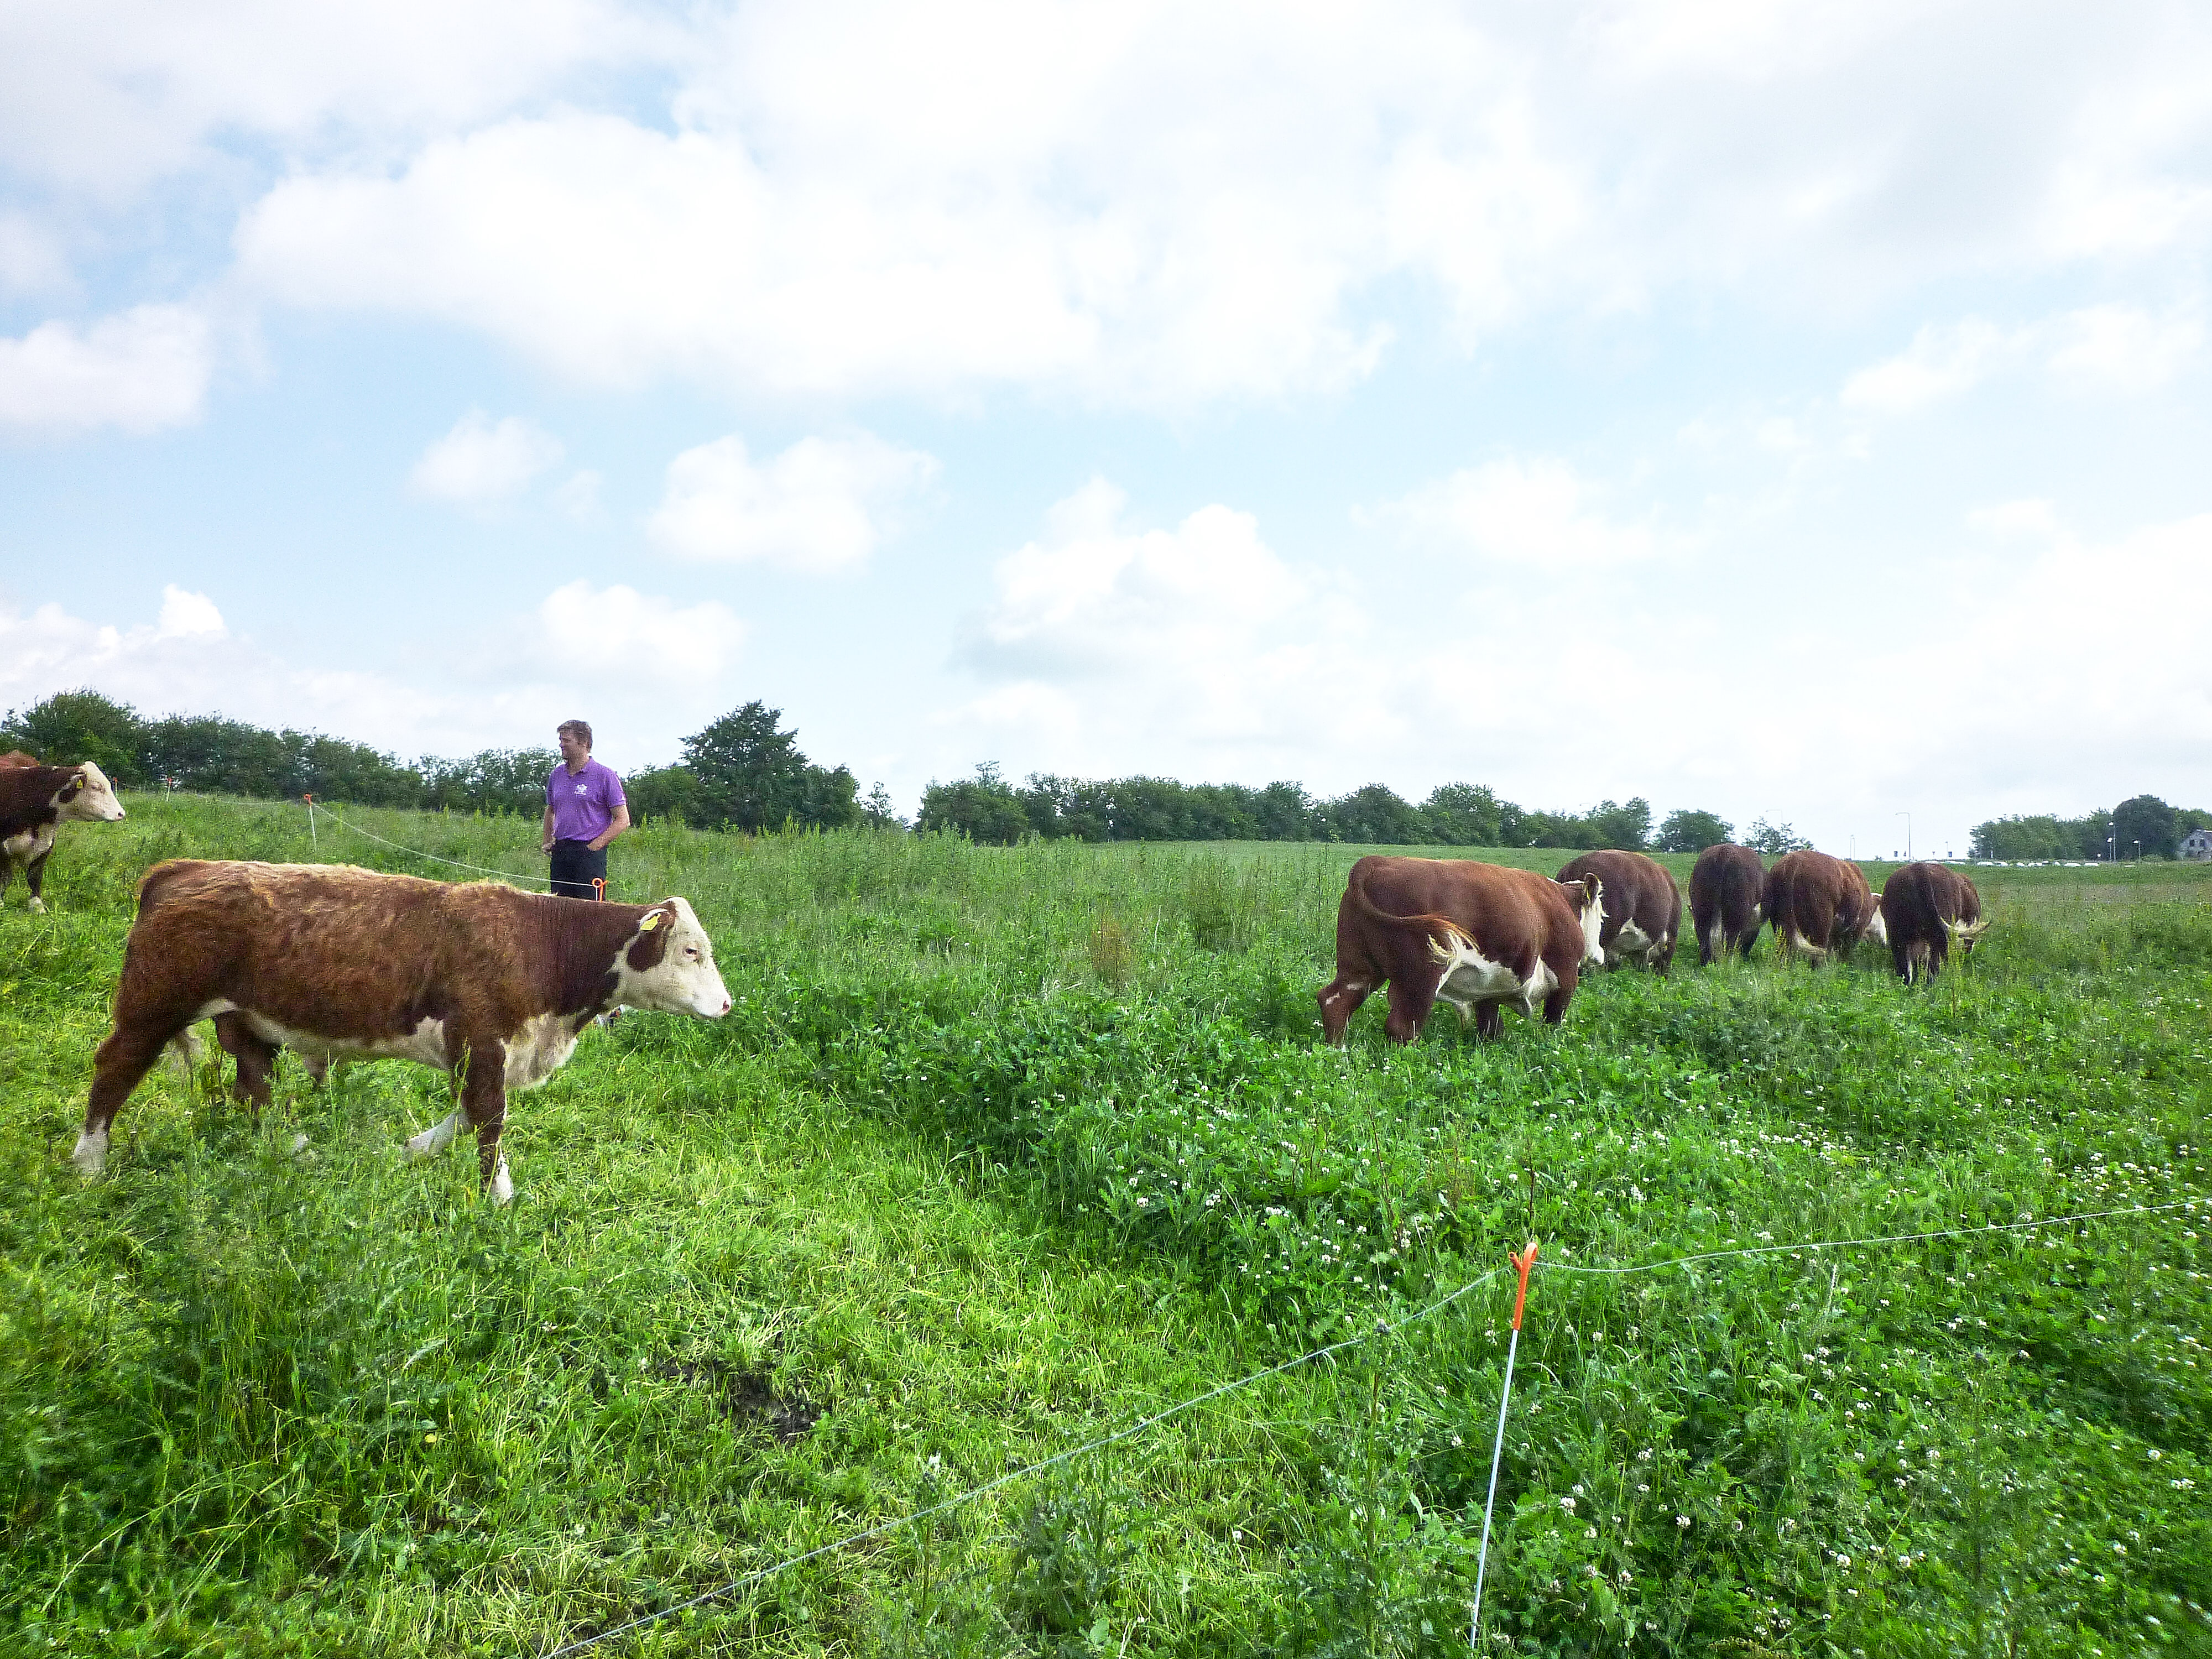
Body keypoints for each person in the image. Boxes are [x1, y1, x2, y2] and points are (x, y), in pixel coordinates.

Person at [541, 719, 629, 899]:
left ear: (583, 743)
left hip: (589, 854)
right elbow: (550, 809)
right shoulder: (557, 775)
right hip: (561, 851)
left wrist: (594, 847)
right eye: (561, 740)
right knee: (559, 910)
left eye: (566, 740)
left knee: (591, 913)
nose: (561, 745)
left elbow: (623, 820)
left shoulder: (605, 776)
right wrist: (547, 840)